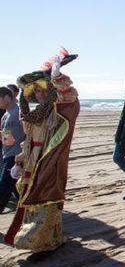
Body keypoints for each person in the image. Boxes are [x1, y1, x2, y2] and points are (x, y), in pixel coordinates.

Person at [5, 53, 80, 252]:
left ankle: (44, 240)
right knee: (30, 198)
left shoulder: (58, 110)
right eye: (35, 91)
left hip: (49, 160)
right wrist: (19, 162)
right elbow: (28, 141)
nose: (38, 94)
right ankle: (44, 238)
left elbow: (68, 93)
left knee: (46, 197)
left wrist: (56, 75)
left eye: (42, 90)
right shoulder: (34, 116)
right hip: (33, 160)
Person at [0, 87, 24, 213]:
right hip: (7, 155)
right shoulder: (5, 115)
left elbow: (29, 132)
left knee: (3, 189)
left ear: (7, 97)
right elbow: (6, 139)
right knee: (16, 189)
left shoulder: (19, 112)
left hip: (16, 156)